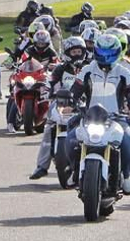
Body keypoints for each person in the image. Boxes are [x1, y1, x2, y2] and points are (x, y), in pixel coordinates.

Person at [66, 32, 130, 194]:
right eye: (102, 53)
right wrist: (69, 102)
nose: (106, 57)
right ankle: (75, 170)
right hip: (90, 117)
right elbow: (76, 88)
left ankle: (126, 175)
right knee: (71, 138)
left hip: (116, 117)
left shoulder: (123, 71)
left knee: (129, 141)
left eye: (110, 53)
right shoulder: (87, 70)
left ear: (117, 52)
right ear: (96, 52)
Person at [29, 36, 92, 179]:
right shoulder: (60, 69)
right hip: (61, 104)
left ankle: (89, 165)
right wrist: (46, 91)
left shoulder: (89, 68)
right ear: (67, 53)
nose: (77, 55)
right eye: (73, 52)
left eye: (79, 51)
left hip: (83, 105)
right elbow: (49, 81)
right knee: (48, 129)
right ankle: (42, 166)